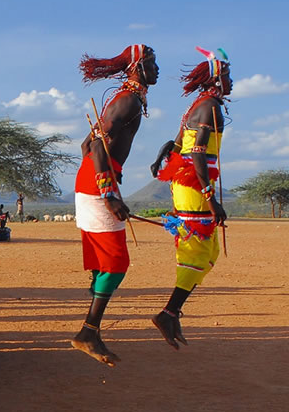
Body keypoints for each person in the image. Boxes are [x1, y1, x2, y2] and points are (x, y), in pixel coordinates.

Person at [70, 44, 158, 366]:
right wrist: (107, 192)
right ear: (135, 67)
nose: (157, 68)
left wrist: (106, 180)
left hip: (95, 179)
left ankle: (91, 327)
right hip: (98, 184)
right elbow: (94, 145)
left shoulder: (127, 99)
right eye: (151, 62)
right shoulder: (127, 101)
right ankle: (88, 332)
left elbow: (86, 145)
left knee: (108, 261)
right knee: (116, 263)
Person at [150, 46, 230, 349]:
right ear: (215, 80)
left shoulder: (199, 106)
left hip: (190, 182)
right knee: (197, 250)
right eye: (227, 76)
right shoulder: (208, 107)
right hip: (195, 184)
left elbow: (177, 142)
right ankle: (168, 313)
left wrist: (161, 157)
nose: (231, 82)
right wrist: (211, 198)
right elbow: (196, 153)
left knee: (209, 254)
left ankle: (172, 312)